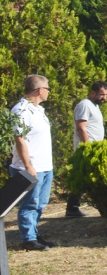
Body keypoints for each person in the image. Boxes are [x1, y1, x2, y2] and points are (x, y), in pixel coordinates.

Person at [10, 75, 55, 251]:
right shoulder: (20, 110)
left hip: (45, 167)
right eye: (48, 88)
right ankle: (27, 238)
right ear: (40, 90)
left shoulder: (38, 110)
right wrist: (29, 166)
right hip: (29, 167)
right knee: (29, 204)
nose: (49, 92)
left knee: (40, 203)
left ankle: (34, 234)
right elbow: (19, 139)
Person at [67, 81, 107, 218]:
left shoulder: (94, 106)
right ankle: (103, 208)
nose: (104, 97)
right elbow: (81, 128)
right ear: (93, 93)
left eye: (106, 95)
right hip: (86, 149)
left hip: (94, 148)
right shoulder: (85, 105)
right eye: (102, 94)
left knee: (83, 179)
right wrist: (88, 148)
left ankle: (72, 209)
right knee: (91, 178)